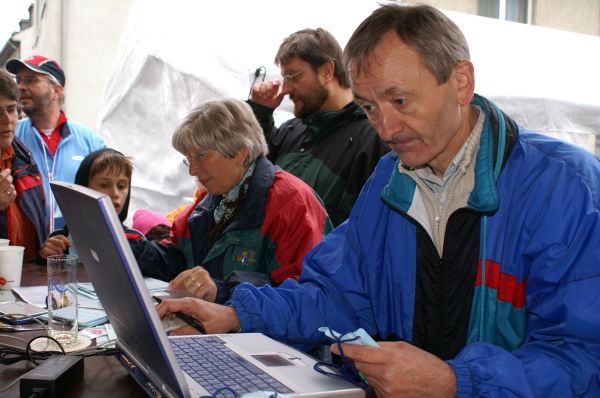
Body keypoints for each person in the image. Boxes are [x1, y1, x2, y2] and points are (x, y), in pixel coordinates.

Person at [157, 4, 600, 397]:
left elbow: (584, 357)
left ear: (461, 82)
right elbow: (336, 294)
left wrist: (454, 382)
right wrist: (237, 312)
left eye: (400, 100)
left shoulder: (567, 187)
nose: (386, 129)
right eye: (369, 107)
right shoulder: (391, 178)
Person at [167, 98, 332, 304]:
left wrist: (220, 291)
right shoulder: (213, 198)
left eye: (201, 156)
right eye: (188, 158)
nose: (192, 170)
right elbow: (176, 257)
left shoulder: (293, 202)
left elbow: (305, 295)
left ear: (240, 152)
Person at [248, 28, 389, 227]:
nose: (286, 89)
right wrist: (260, 113)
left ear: (326, 72)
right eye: (284, 78)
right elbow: (246, 169)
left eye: (293, 77)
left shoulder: (375, 136)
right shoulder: (291, 131)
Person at [38, 148, 187, 281]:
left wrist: (130, 248)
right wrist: (43, 257)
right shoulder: (61, 238)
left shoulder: (134, 239)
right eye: (104, 185)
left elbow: (171, 267)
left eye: (122, 186)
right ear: (83, 188)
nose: (115, 193)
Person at [5, 55, 106, 231]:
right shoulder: (10, 137)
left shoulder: (92, 142)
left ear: (57, 91)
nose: (20, 86)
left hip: (76, 248)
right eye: (18, 80)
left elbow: (107, 198)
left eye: (31, 80)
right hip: (28, 250)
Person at [0, 69, 47, 261]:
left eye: (12, 109)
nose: (8, 120)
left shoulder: (25, 157)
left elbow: (34, 231)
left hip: (26, 283)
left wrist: (44, 254)